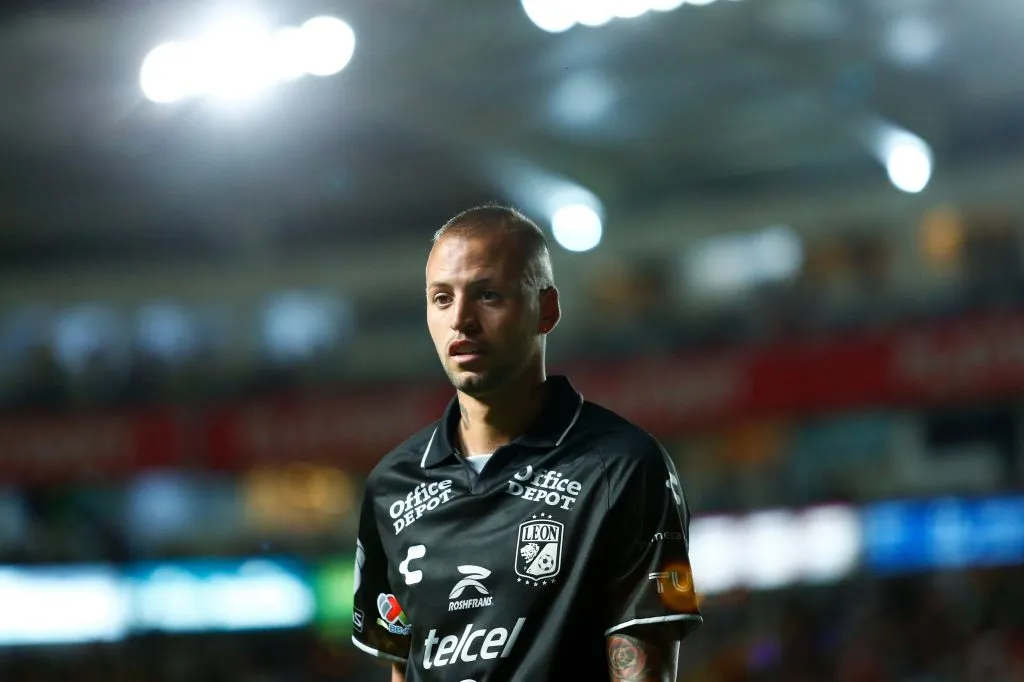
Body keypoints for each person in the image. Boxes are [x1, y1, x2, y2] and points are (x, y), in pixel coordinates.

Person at [351, 205, 702, 681]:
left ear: (547, 309)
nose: (461, 320)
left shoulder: (623, 466)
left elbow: (644, 667)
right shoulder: (391, 485)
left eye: (488, 295)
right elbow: (401, 664)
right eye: (442, 298)